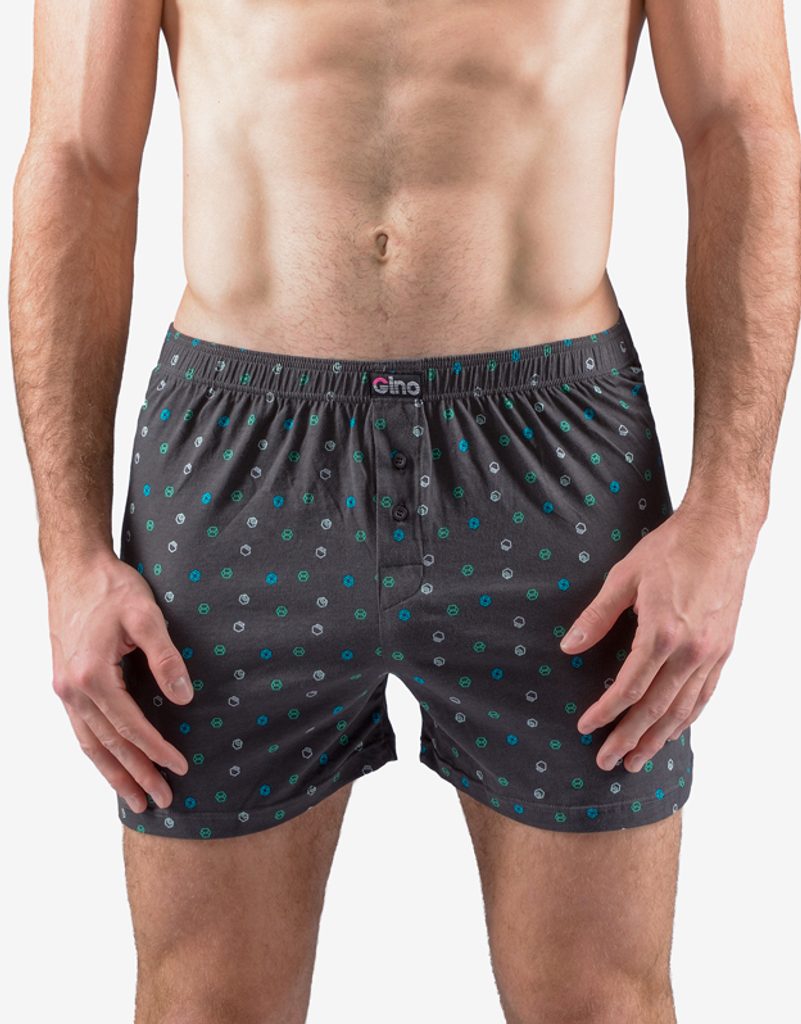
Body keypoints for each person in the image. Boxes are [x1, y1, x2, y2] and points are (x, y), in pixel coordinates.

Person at [9, 1, 800, 1021]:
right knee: (204, 1003)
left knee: (599, 1002)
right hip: (240, 460)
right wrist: (67, 549)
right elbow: (78, 158)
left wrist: (730, 512)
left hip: (554, 463)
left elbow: (741, 125)